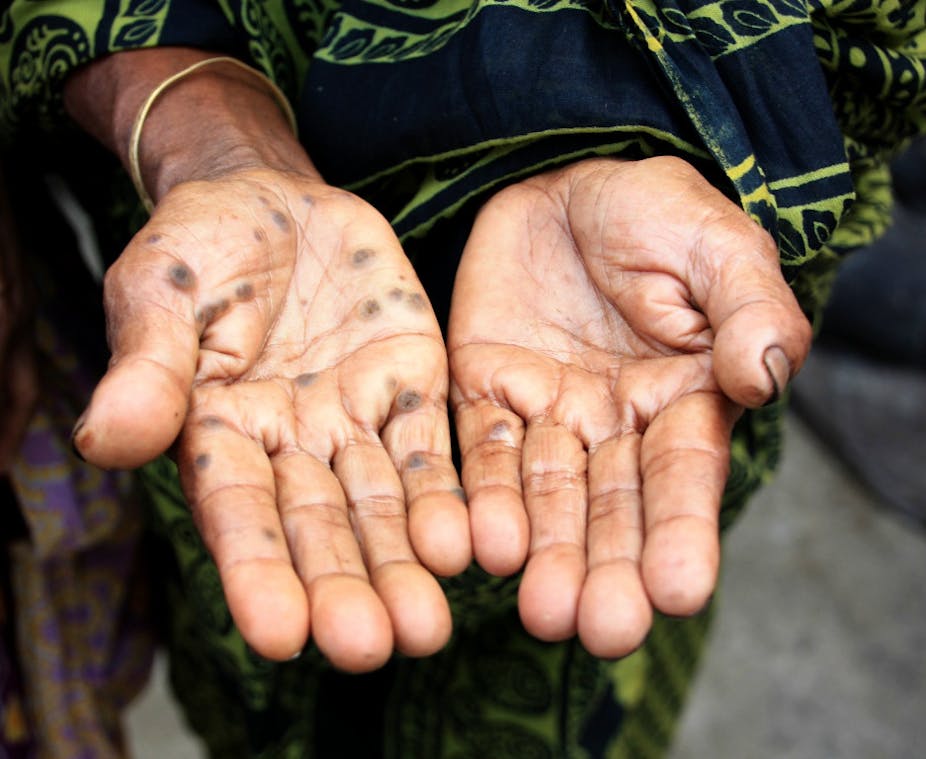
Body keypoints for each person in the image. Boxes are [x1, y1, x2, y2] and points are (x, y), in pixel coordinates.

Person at [1, 1, 923, 756]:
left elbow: (872, 37)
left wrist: (642, 139)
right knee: (258, 657)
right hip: (240, 385)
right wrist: (205, 132)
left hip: (628, 388)